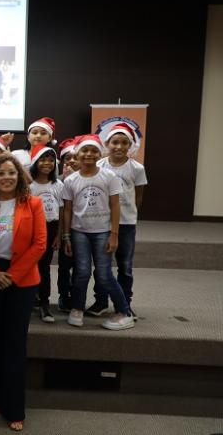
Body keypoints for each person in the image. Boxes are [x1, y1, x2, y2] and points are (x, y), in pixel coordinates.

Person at [0, 153, 46, 432]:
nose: (6, 177)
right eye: (1, 173)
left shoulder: (34, 204)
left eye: (11, 173)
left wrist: (12, 276)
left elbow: (39, 245)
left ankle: (14, 407)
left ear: (19, 176)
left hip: (23, 279)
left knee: (15, 343)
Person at [62, 135, 135, 331]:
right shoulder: (70, 180)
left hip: (103, 232)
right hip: (79, 233)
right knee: (81, 272)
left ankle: (124, 311)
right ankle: (77, 308)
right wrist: (66, 236)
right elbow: (67, 210)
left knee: (104, 274)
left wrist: (114, 234)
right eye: (84, 150)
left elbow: (115, 205)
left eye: (93, 150)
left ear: (100, 153)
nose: (89, 154)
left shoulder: (109, 177)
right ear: (77, 154)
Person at [91, 123, 147, 319]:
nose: (119, 147)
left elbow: (138, 196)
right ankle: (100, 301)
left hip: (126, 224)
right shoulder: (99, 166)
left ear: (130, 145)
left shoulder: (137, 168)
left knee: (125, 266)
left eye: (124, 143)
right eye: (115, 142)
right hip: (103, 223)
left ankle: (125, 303)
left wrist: (128, 213)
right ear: (107, 143)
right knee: (102, 266)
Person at [29, 146, 64, 323]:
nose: (47, 164)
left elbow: (61, 211)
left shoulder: (58, 185)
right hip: (32, 230)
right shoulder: (29, 186)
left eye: (51, 160)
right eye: (43, 160)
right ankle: (29, 301)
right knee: (29, 265)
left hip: (50, 229)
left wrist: (59, 235)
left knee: (44, 267)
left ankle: (44, 304)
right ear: (35, 162)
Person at [56, 137, 79, 312]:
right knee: (64, 266)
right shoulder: (57, 180)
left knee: (81, 267)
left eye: (75, 157)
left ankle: (77, 297)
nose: (71, 161)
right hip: (64, 229)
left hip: (82, 229)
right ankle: (64, 296)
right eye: (67, 158)